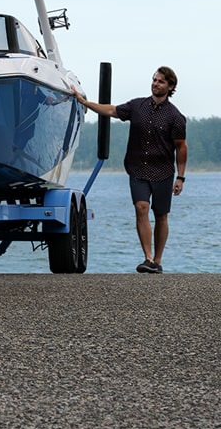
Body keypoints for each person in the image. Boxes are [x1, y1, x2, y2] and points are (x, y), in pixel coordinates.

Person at [72, 67, 187, 274]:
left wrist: (180, 177)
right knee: (141, 207)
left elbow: (181, 147)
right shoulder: (137, 106)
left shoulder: (175, 116)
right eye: (154, 79)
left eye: (161, 81)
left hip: (163, 171)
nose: (155, 84)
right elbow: (111, 110)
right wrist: (84, 102)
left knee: (161, 215)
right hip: (137, 168)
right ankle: (148, 258)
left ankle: (157, 261)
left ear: (170, 87)